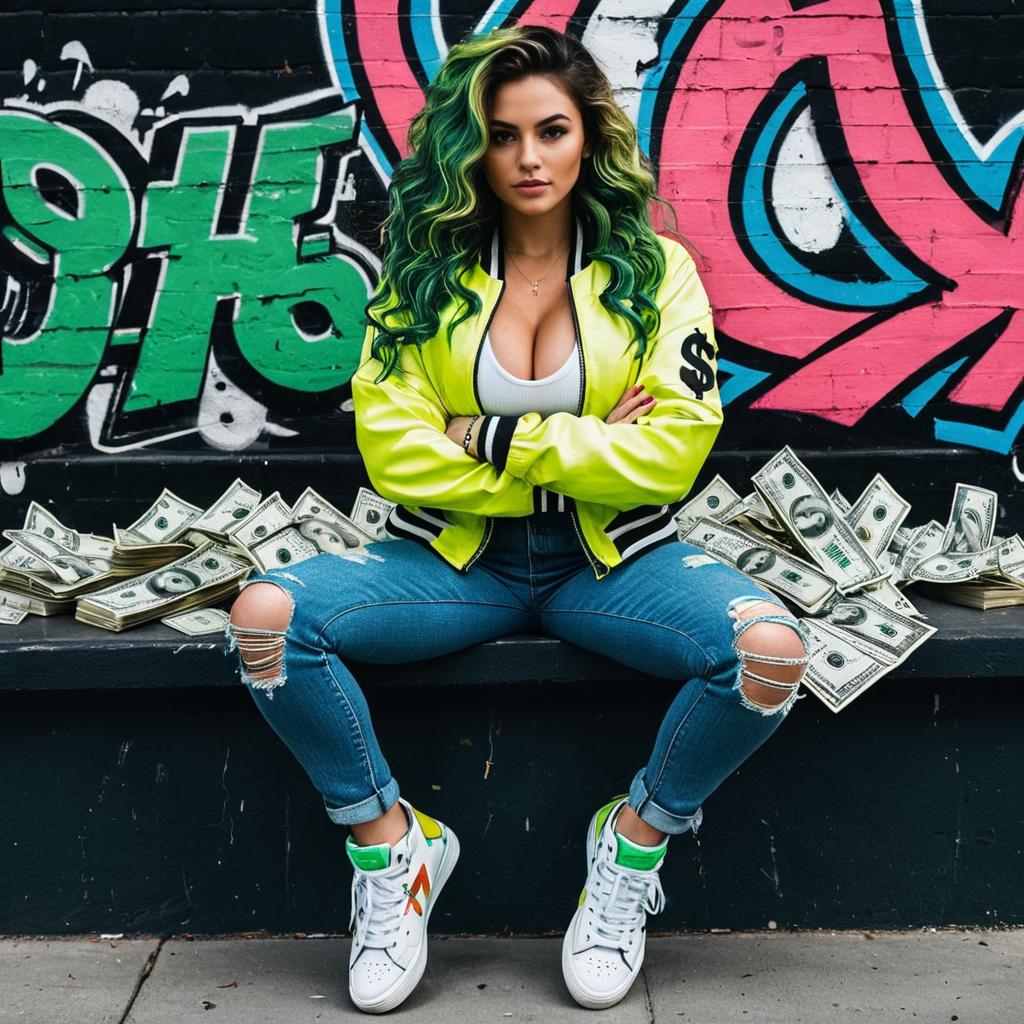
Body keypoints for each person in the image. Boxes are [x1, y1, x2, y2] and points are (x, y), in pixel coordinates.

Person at [227, 24, 809, 1015]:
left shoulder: (658, 271)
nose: (529, 159)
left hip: (613, 565)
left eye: (551, 131)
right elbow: (392, 447)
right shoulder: (420, 275)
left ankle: (630, 844)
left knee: (769, 652)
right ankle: (390, 849)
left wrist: (491, 440)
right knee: (265, 622)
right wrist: (584, 440)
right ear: (473, 148)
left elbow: (674, 446)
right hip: (453, 564)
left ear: (589, 137)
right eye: (503, 136)